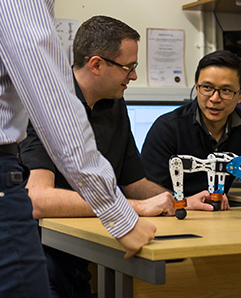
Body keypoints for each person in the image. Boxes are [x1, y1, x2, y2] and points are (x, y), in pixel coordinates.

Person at [0, 1, 155, 297]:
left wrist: (176, 201)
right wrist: (122, 214)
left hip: (80, 262)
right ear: (96, 64)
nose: (133, 76)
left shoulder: (115, 106)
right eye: (129, 68)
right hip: (51, 255)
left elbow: (134, 183)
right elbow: (50, 101)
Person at [142, 50, 241, 209]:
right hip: (174, 218)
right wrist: (185, 202)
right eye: (207, 88)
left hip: (219, 219)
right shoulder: (167, 128)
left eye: (226, 90)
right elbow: (148, 190)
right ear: (196, 87)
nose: (215, 98)